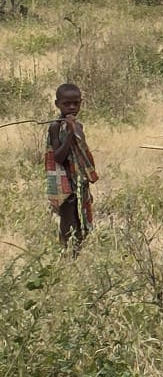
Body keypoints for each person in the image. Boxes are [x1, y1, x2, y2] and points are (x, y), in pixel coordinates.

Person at [45, 83, 97, 251]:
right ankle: (68, 255)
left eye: (76, 103)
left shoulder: (78, 126)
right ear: (57, 104)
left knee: (81, 220)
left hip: (79, 183)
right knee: (68, 223)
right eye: (67, 104)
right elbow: (59, 157)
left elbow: (82, 152)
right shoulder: (55, 127)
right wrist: (69, 134)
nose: (72, 107)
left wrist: (74, 129)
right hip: (64, 183)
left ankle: (77, 255)